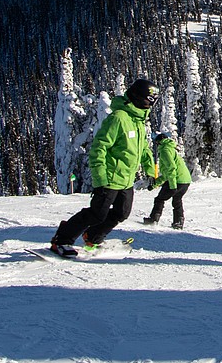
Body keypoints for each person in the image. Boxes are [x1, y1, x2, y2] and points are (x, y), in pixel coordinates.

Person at [49, 79, 159, 258]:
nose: (150, 105)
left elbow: (143, 148)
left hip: (126, 179)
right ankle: (62, 239)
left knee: (121, 213)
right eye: (148, 100)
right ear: (138, 97)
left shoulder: (138, 120)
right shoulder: (119, 118)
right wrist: (100, 176)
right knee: (96, 214)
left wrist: (150, 170)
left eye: (152, 101)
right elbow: (99, 147)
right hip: (110, 177)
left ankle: (93, 236)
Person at [143, 131, 191, 229]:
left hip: (176, 180)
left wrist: (173, 186)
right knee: (177, 200)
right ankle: (178, 222)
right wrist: (155, 184)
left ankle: (153, 219)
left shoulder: (165, 150)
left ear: (159, 142)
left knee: (160, 199)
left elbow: (171, 168)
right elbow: (166, 174)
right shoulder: (170, 149)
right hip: (185, 181)